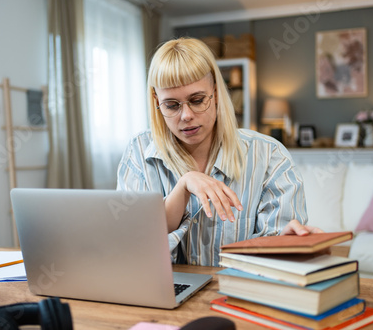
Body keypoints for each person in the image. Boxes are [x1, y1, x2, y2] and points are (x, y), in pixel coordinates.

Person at [117, 37, 322, 266]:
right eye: (172, 105)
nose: (185, 116)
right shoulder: (139, 152)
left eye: (197, 100)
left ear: (215, 93)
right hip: (162, 295)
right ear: (156, 100)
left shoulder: (269, 155)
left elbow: (277, 250)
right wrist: (183, 188)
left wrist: (284, 248)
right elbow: (133, 242)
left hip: (239, 292)